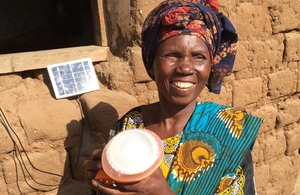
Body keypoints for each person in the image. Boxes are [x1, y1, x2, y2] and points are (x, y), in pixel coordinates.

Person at [84, 0, 263, 194]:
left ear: (210, 67)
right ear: (152, 64)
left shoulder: (230, 134)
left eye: (199, 57)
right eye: (172, 55)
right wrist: (102, 181)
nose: (185, 67)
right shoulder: (129, 125)